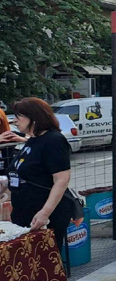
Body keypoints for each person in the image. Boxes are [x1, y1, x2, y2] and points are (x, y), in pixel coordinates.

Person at [3, 98, 72, 247]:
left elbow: (61, 179)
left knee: (43, 257)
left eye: (18, 116)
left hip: (44, 214)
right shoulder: (32, 140)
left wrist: (45, 212)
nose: (14, 121)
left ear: (34, 117)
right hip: (24, 211)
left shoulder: (54, 140)